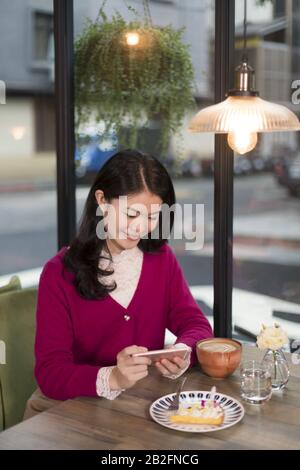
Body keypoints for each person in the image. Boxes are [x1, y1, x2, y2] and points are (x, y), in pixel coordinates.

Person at [24, 149, 213, 419]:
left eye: (151, 217)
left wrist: (183, 350)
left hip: (135, 410)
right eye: (131, 214)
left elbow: (196, 325)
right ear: (102, 201)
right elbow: (50, 374)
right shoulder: (58, 273)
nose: (140, 228)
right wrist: (112, 377)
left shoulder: (161, 260)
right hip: (66, 413)